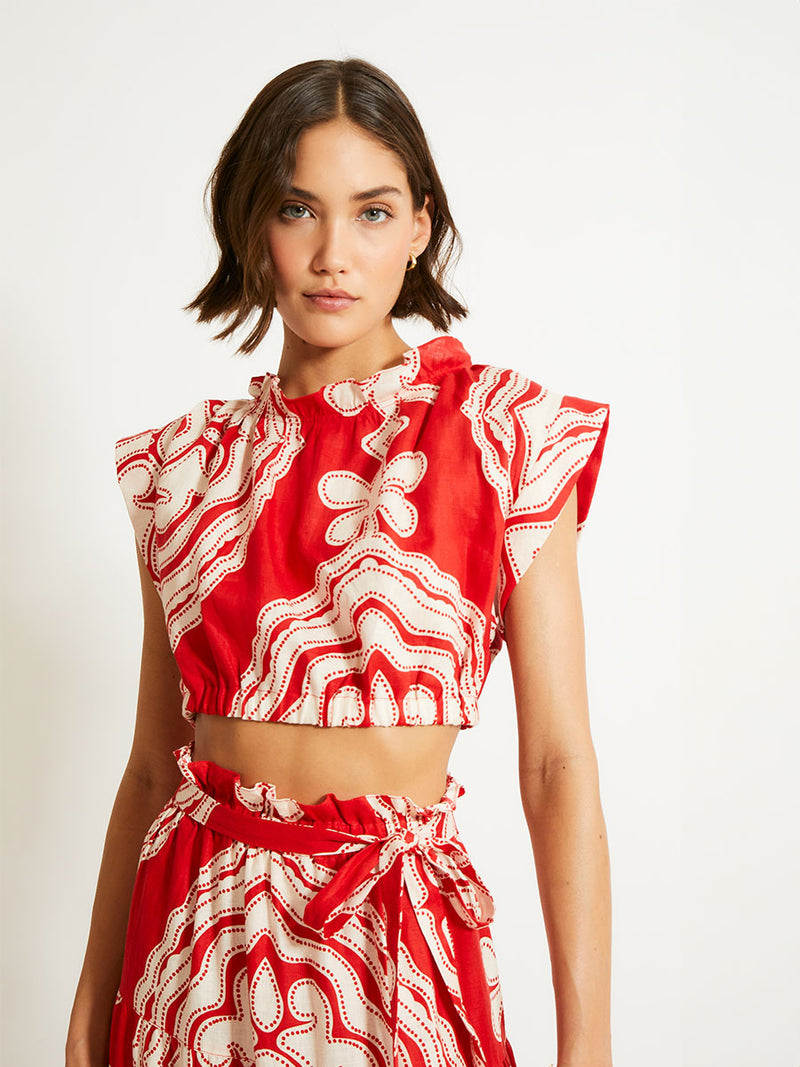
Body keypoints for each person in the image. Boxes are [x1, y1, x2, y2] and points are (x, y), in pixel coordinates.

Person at [65, 57, 612, 1067]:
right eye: (295, 208)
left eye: (369, 212)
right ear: (250, 227)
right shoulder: (182, 469)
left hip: (398, 949)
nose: (330, 254)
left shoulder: (504, 438)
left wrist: (587, 1044)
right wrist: (93, 1003)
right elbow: (152, 764)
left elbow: (556, 762)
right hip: (198, 953)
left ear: (418, 224)